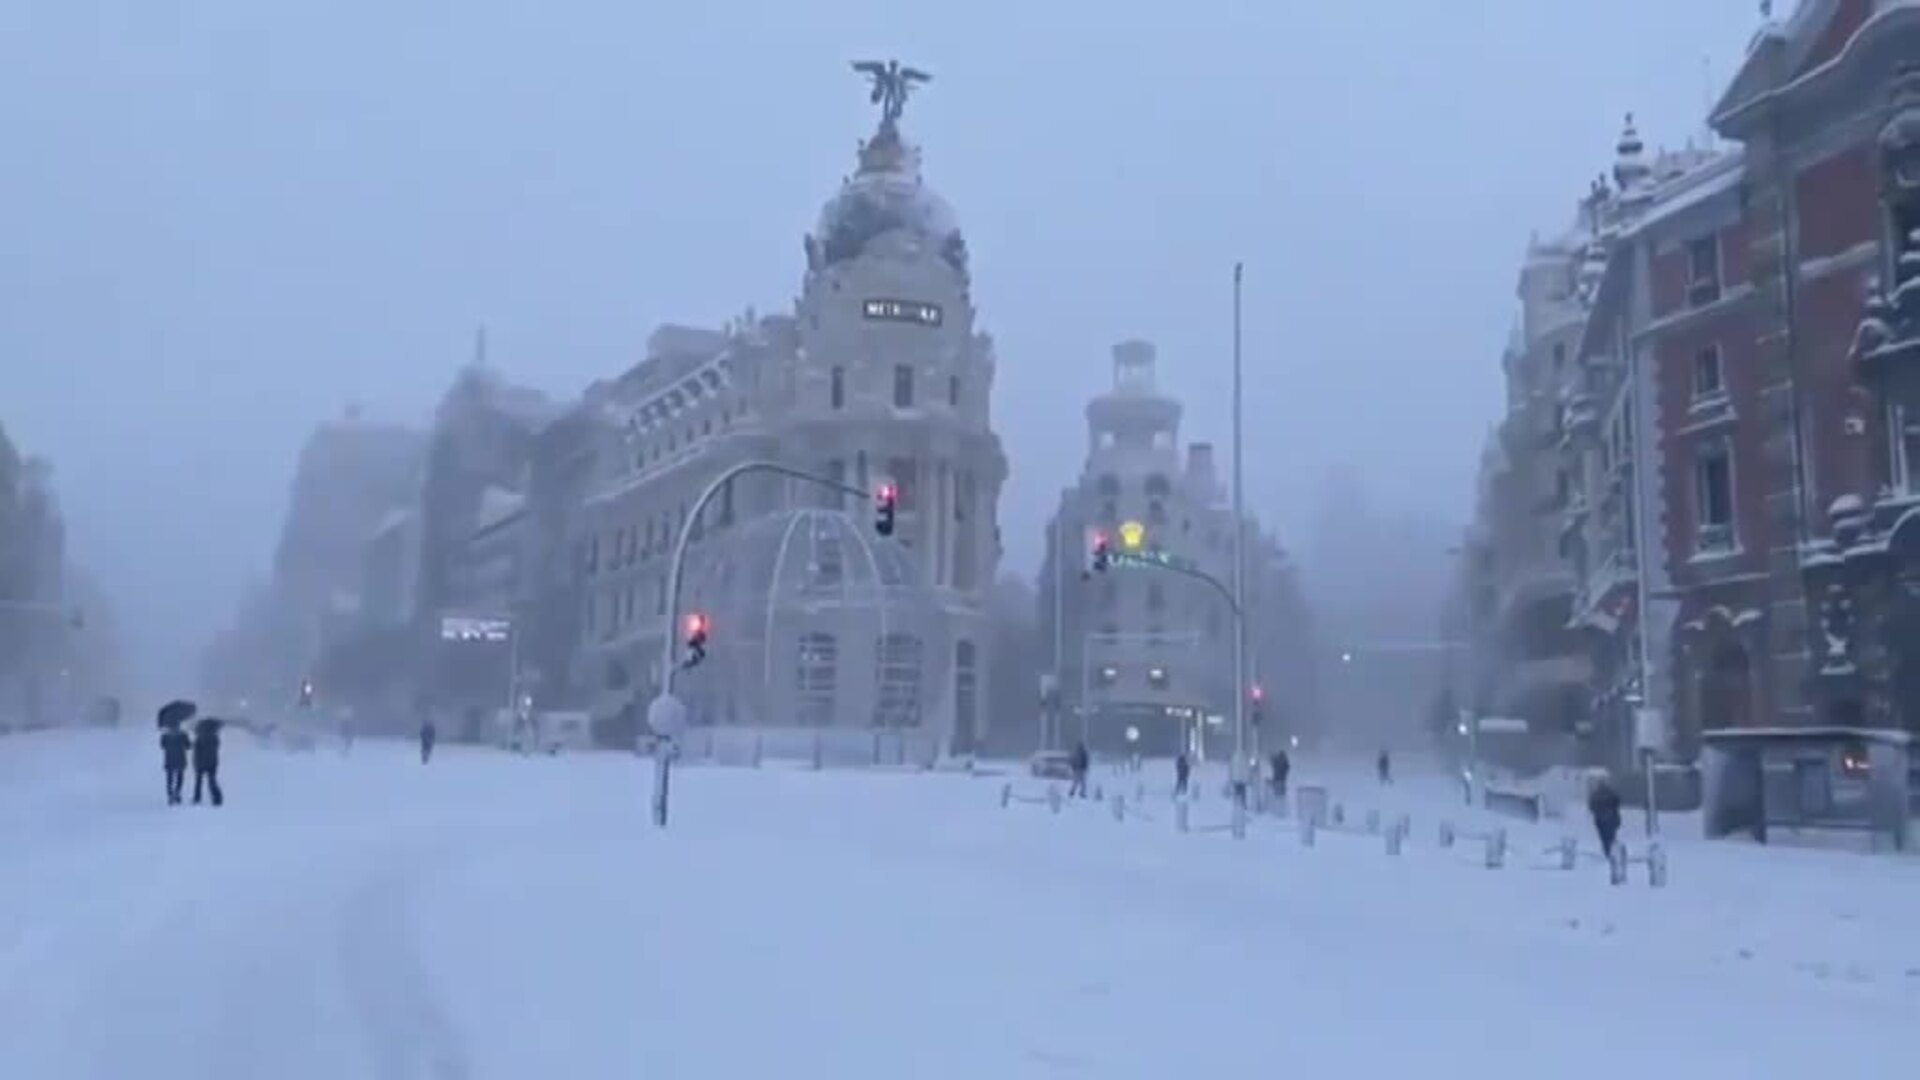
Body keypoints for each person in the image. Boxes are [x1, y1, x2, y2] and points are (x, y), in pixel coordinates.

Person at [1588, 774, 1623, 861]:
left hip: (1601, 819)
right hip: (1611, 818)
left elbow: (1591, 806)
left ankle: (1607, 851)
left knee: (1603, 836)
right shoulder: (1611, 792)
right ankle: (1611, 851)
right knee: (1611, 835)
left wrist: (1597, 812)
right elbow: (1617, 803)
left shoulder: (1596, 794)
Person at [191, 716, 224, 807]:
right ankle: (217, 798)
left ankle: (197, 798)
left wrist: (195, 763)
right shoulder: (215, 737)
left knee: (198, 782)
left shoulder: (199, 738)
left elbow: (196, 751)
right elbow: (216, 748)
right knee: (212, 781)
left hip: (200, 762)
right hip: (212, 762)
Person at [159, 722, 191, 805]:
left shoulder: (165, 736)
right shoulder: (183, 735)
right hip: (180, 758)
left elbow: (162, 746)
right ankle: (177, 792)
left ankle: (170, 794)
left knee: (169, 778)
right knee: (180, 777)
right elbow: (188, 746)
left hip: (169, 759)